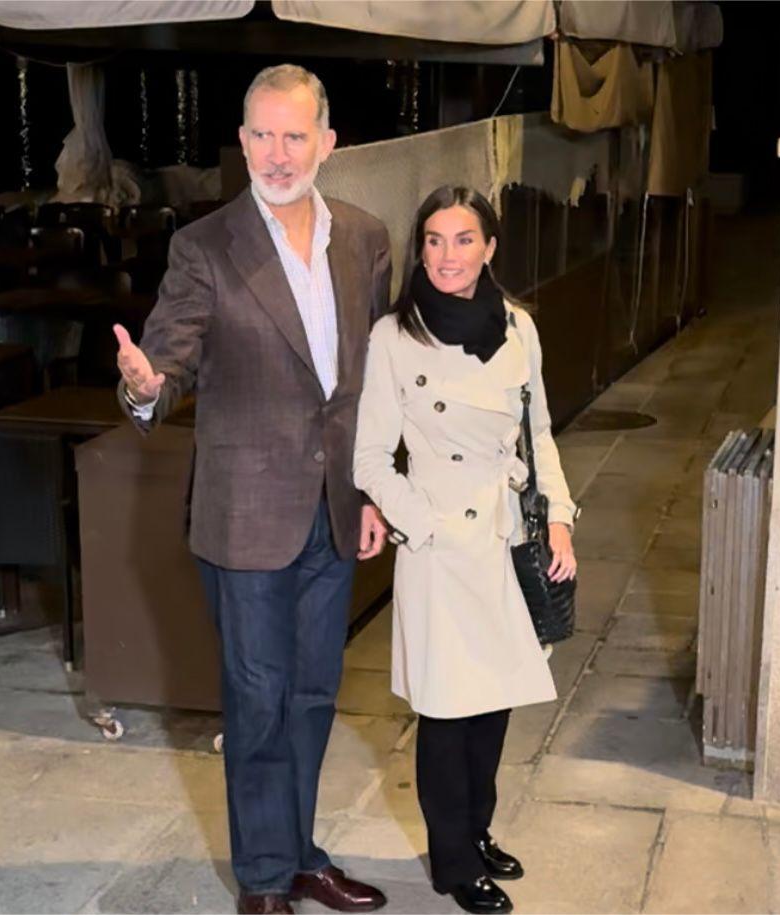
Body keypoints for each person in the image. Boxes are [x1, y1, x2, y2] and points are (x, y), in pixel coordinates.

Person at [113, 64, 392, 915]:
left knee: (313, 694)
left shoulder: (366, 238)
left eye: (294, 135)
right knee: (258, 696)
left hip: (334, 509)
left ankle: (301, 852)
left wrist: (375, 492)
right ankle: (265, 877)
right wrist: (145, 385)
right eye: (262, 135)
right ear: (241, 142)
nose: (277, 154)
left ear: (327, 143)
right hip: (245, 514)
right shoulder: (205, 246)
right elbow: (169, 358)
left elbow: (371, 384)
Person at [352, 186, 578, 915]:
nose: (447, 256)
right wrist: (423, 525)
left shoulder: (518, 327)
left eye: (463, 239)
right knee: (448, 711)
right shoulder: (394, 336)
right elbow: (369, 458)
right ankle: (452, 861)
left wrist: (560, 519)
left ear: (489, 247)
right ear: (420, 250)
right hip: (441, 544)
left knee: (494, 701)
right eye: (434, 240)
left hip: (505, 533)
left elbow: (538, 434)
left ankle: (477, 829)